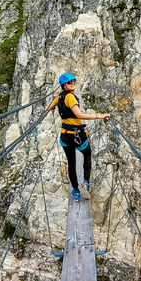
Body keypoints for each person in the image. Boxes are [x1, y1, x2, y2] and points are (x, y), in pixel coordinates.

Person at [47, 73, 110, 201]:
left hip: (65, 136)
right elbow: (79, 115)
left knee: (71, 163)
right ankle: (86, 182)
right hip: (77, 135)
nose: (73, 84)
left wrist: (55, 108)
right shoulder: (70, 97)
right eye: (70, 82)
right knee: (87, 154)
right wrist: (99, 116)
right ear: (65, 85)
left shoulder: (59, 97)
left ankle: (75, 190)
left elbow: (48, 108)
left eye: (74, 81)